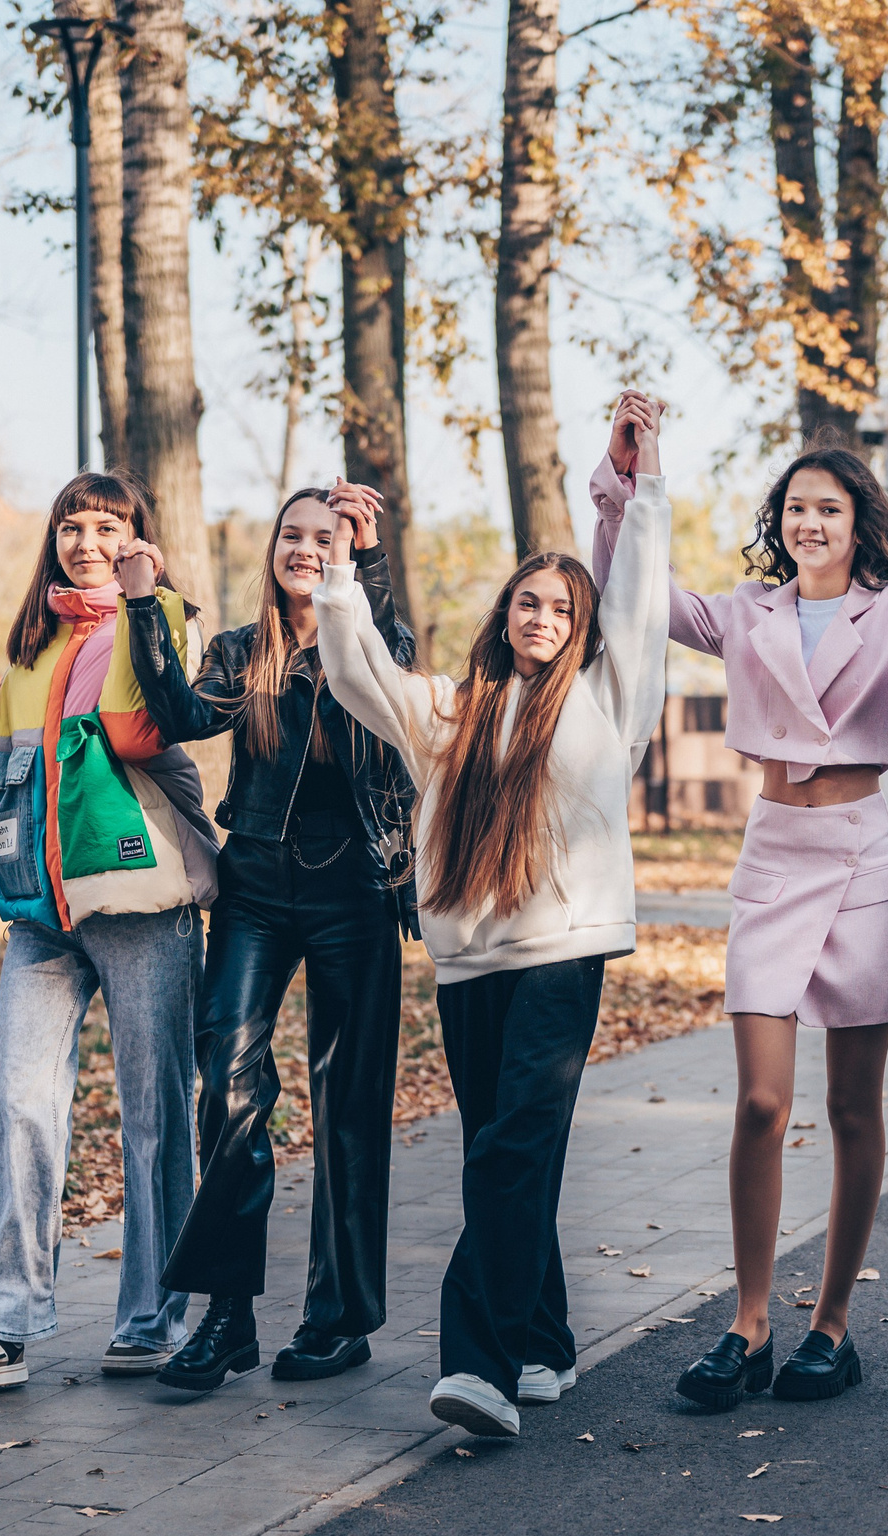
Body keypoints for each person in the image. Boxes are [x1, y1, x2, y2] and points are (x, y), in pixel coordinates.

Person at [585, 398, 888, 1409]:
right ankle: (747, 1323)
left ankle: (831, 1325)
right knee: (760, 1101)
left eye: (826, 507)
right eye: (794, 508)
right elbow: (633, 593)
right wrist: (627, 483)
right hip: (773, 853)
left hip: (863, 854)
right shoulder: (746, 609)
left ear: (856, 517)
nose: (808, 523)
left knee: (852, 1106)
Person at [314, 404, 671, 1440]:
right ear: (503, 613)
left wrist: (644, 485)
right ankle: (543, 1340)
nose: (541, 616)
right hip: (469, 959)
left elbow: (641, 599)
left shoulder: (610, 696)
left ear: (579, 624)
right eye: (527, 601)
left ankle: (479, 1363)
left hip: (566, 949)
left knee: (511, 1144)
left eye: (560, 606)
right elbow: (356, 675)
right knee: (502, 1146)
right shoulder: (451, 710)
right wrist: (340, 571)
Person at [0, 470, 217, 1392]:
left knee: (153, 1113)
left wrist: (138, 603)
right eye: (70, 527)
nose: (85, 541)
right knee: (13, 1103)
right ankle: (1, 1322)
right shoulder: (27, 648)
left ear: (137, 536)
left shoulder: (164, 615)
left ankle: (152, 1312)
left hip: (139, 898)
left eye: (106, 526)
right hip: (40, 915)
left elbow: (140, 728)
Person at [126, 478, 413, 1393]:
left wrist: (366, 570)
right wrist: (141, 604)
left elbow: (395, 672)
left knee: (349, 1100)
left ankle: (339, 1319)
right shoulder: (241, 650)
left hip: (355, 886)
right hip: (254, 883)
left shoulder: (365, 637)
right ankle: (227, 1319)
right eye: (292, 535)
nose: (304, 547)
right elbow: (175, 716)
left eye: (323, 536)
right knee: (229, 1081)